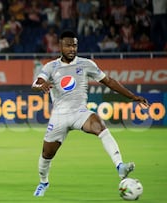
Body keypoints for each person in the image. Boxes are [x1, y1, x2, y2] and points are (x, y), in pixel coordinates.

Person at [31, 30, 149, 197]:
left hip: (80, 112)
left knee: (100, 126)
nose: (72, 49)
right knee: (47, 154)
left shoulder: (86, 64)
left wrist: (133, 96)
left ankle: (120, 166)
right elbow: (37, 83)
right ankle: (43, 182)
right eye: (68, 45)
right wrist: (40, 86)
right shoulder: (51, 66)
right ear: (60, 46)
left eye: (74, 45)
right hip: (59, 116)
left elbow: (109, 82)